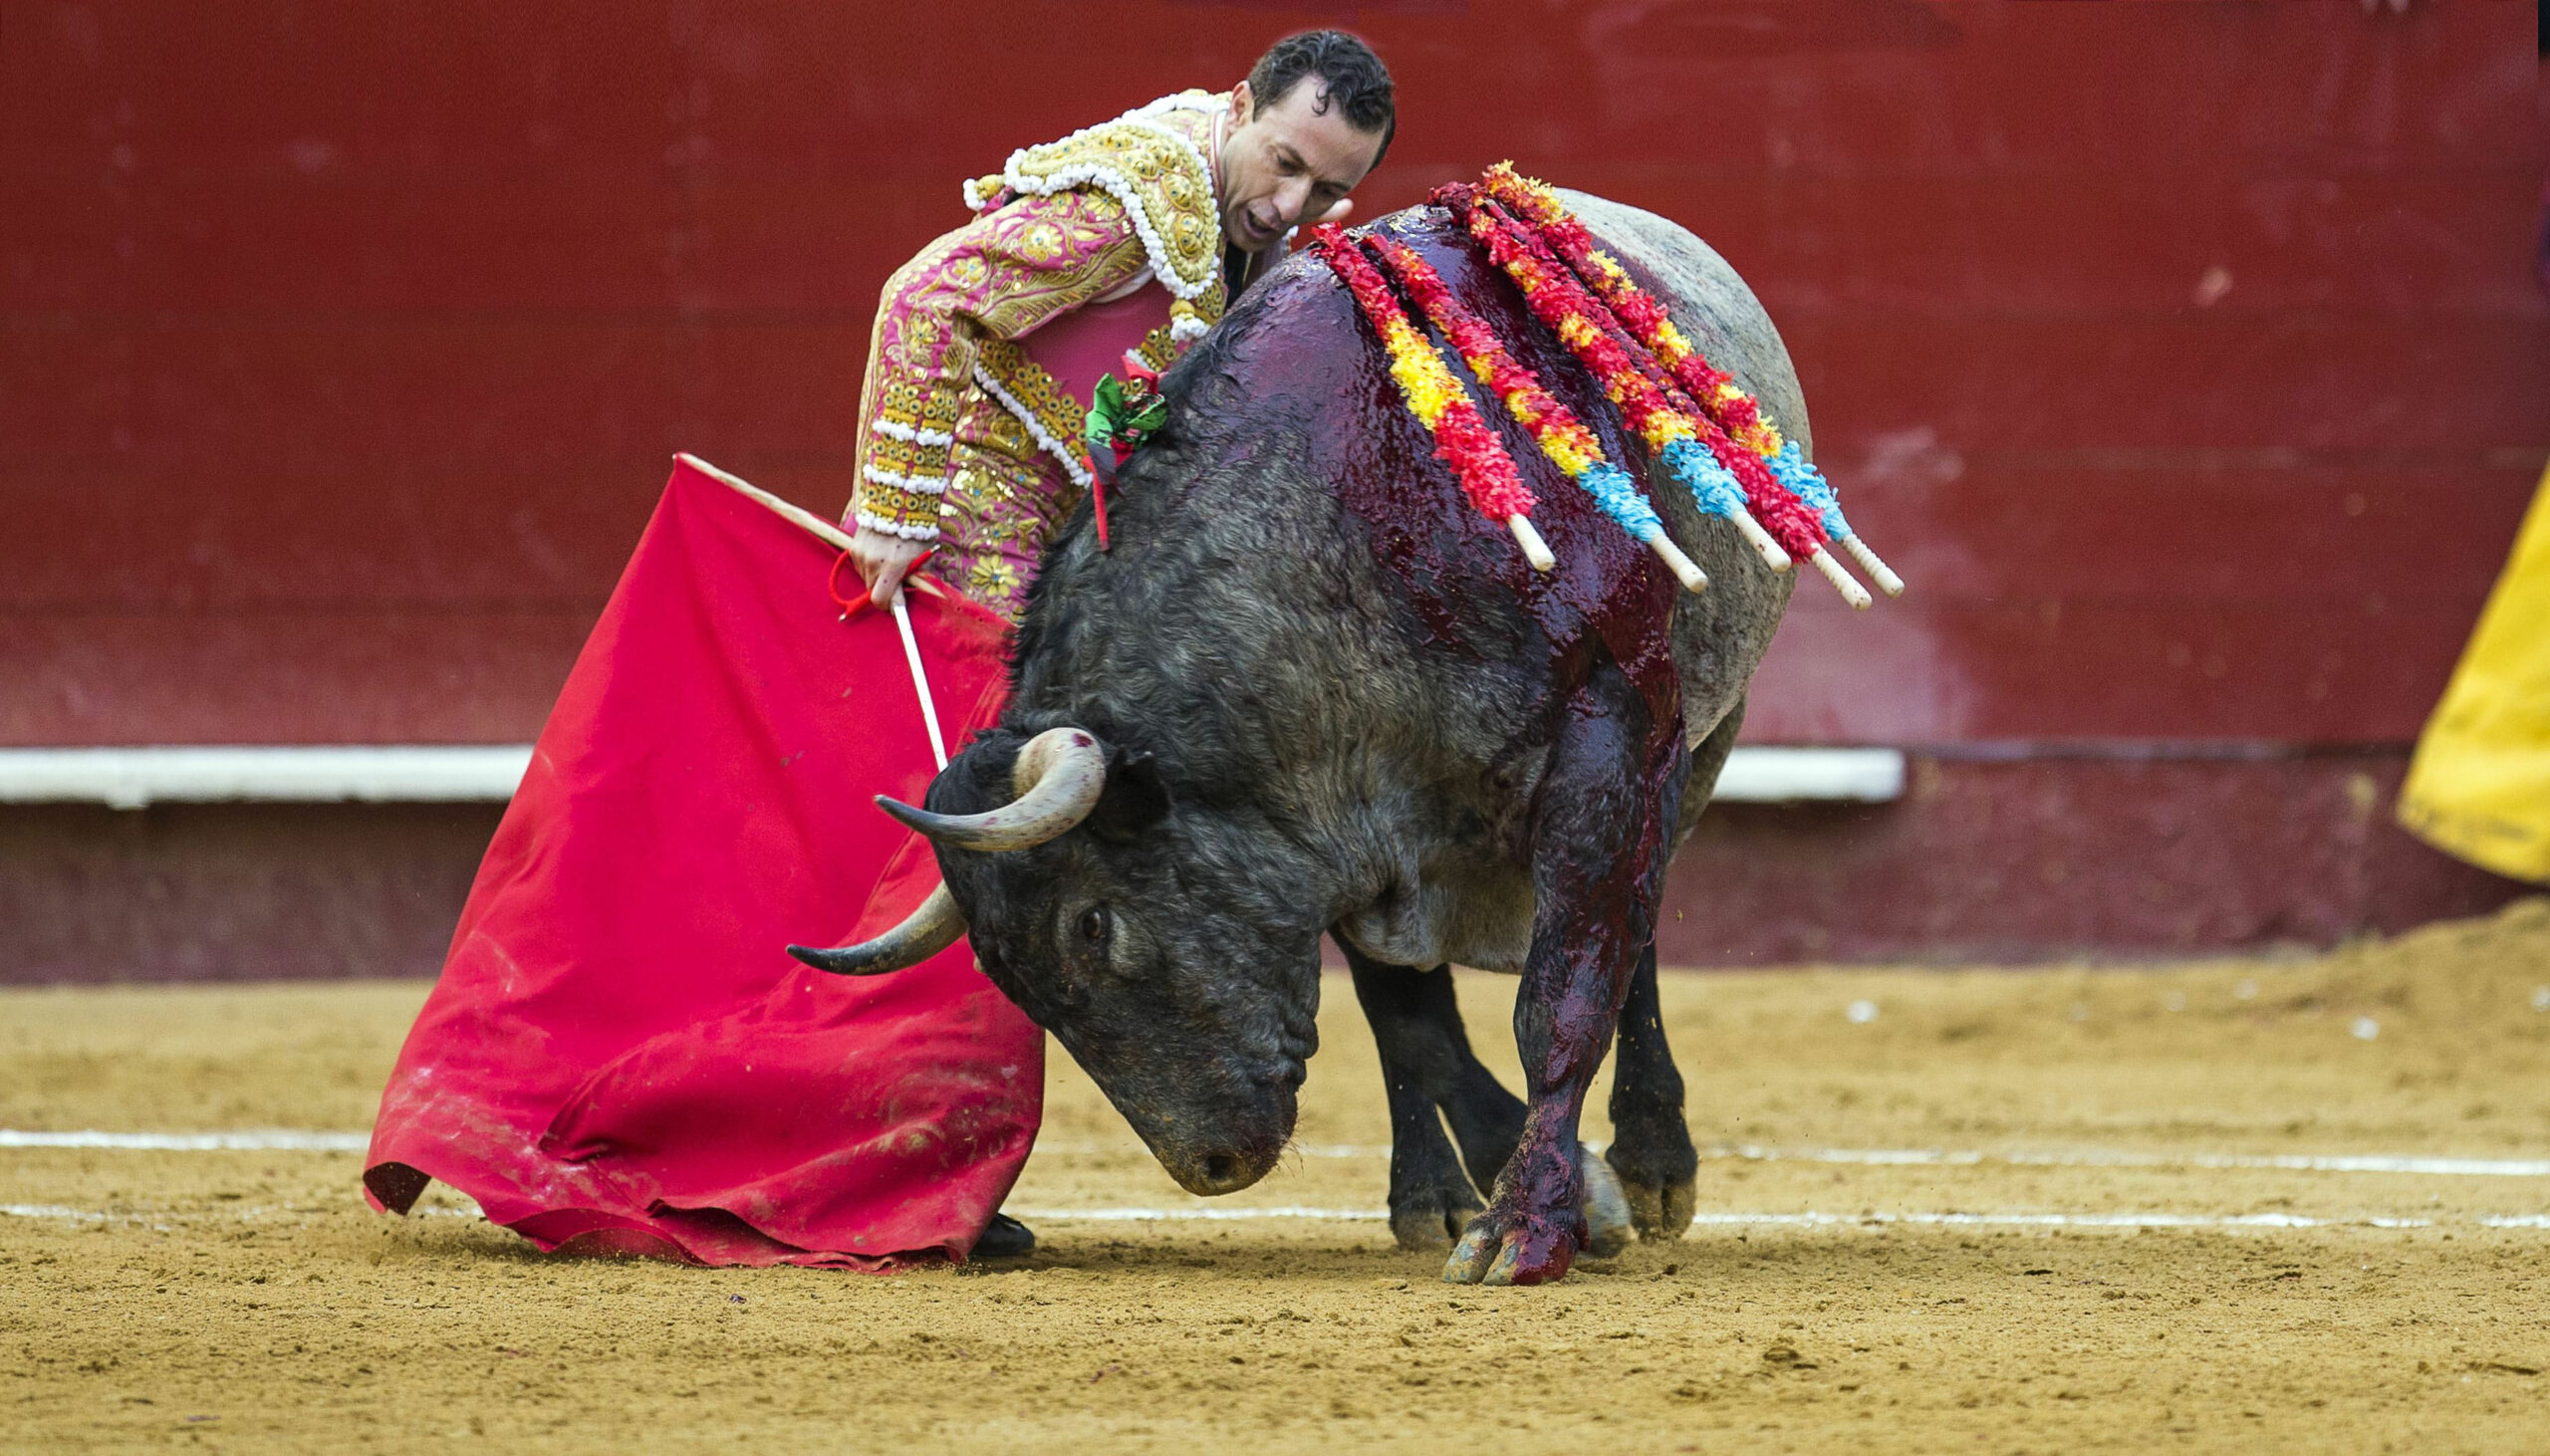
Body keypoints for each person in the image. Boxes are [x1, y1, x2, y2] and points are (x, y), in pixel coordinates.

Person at [842, 29, 1397, 621]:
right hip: (967, 522)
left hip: (1078, 551)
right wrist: (894, 514)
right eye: (1284, 164)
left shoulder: (1237, 187)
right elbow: (928, 297)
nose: (1289, 206)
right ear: (1240, 108)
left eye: (1325, 190)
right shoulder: (1131, 208)